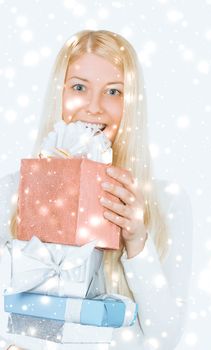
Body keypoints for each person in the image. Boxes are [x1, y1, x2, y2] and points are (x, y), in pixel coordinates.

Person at [0, 30, 193, 350]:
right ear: (58, 95)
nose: (94, 107)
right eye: (78, 87)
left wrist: (137, 241)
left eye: (114, 91)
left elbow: (164, 338)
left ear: (133, 103)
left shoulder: (166, 201)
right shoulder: (11, 191)